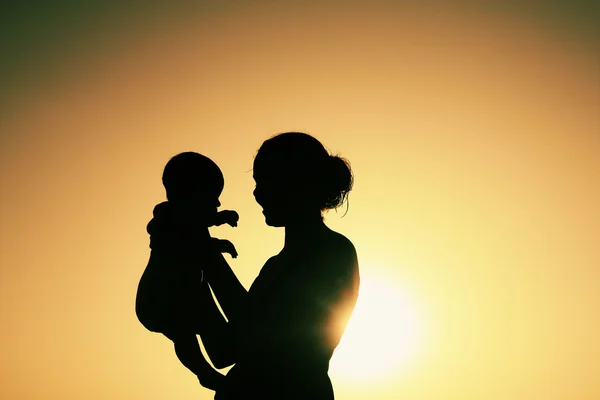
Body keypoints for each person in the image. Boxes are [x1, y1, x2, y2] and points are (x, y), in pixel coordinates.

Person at [195, 132, 360, 399]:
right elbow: (223, 351)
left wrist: (208, 256)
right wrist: (197, 280)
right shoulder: (274, 266)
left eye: (265, 181)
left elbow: (256, 334)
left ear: (294, 182)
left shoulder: (332, 252)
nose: (257, 193)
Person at [135, 152, 239, 391]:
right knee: (183, 336)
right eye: (212, 197)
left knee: (190, 333)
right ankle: (203, 372)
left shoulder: (184, 220)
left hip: (184, 297)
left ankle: (211, 365)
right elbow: (187, 238)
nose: (218, 204)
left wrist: (217, 234)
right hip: (160, 298)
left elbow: (195, 229)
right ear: (188, 194)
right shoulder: (168, 220)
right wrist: (218, 232)